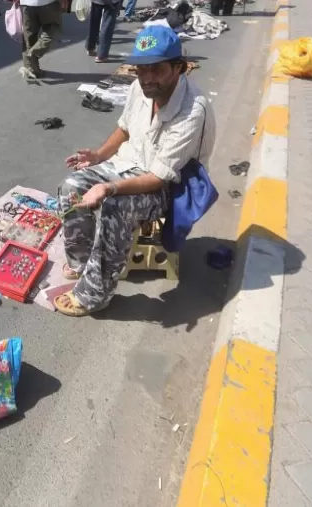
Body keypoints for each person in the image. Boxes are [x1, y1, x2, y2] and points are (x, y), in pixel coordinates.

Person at [52, 25, 216, 317]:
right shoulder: (139, 88)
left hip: (166, 187)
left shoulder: (194, 110)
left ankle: (95, 294)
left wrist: (107, 188)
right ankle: (81, 262)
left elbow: (158, 178)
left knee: (115, 206)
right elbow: (124, 128)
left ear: (179, 67)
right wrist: (99, 155)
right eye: (141, 69)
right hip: (128, 166)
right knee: (71, 185)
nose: (147, 78)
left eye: (156, 69)